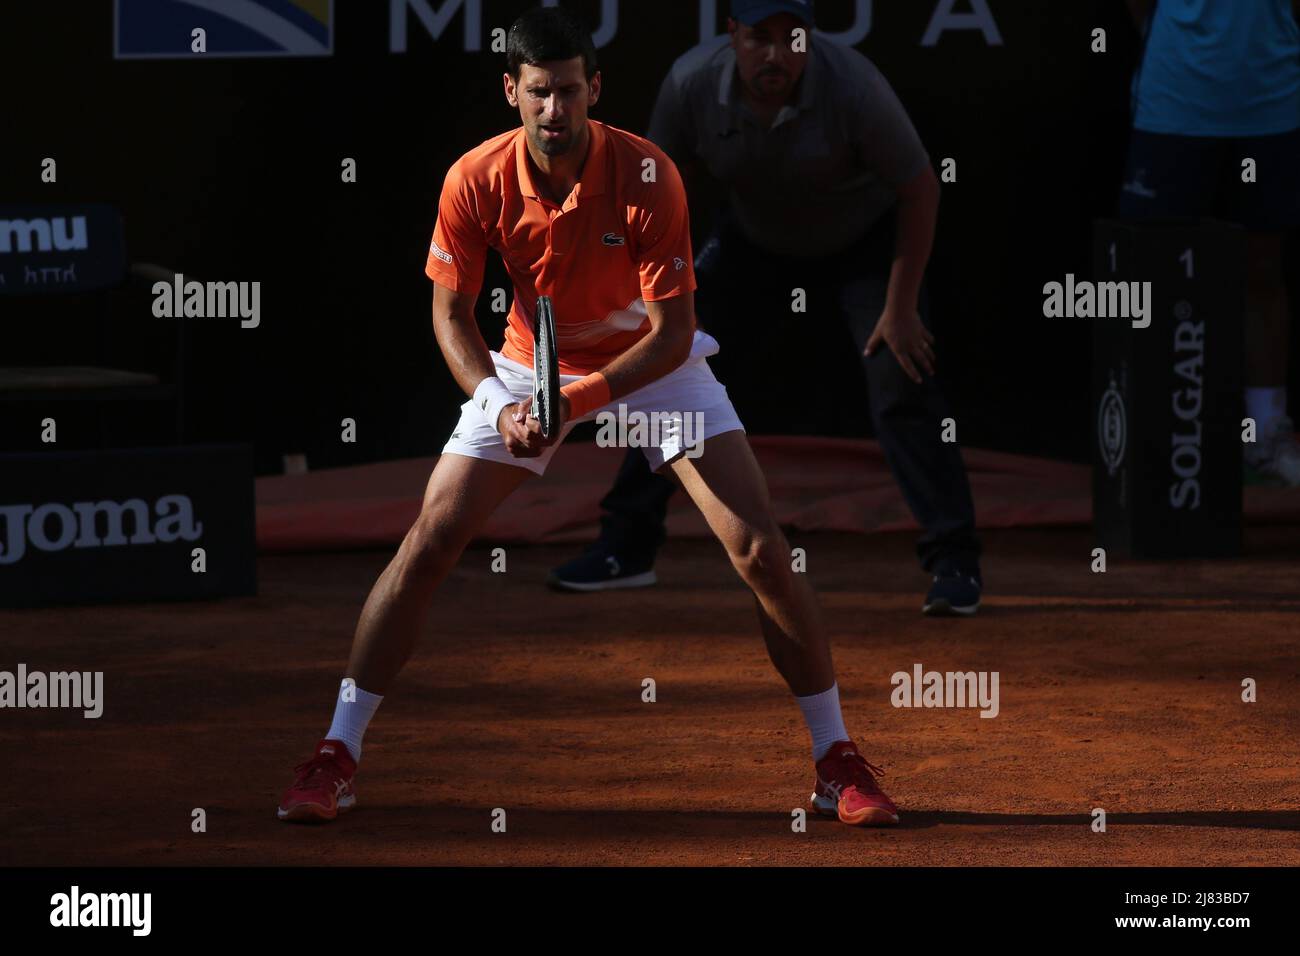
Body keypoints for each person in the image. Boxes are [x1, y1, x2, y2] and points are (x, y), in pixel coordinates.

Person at [277, 6, 900, 828]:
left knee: (758, 547)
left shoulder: (650, 176)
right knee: (429, 539)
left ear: (594, 89)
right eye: (539, 92)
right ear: (512, 91)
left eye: (570, 91)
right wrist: (500, 407)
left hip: (652, 367)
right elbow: (451, 318)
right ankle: (335, 755)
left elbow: (672, 333)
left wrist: (571, 402)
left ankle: (835, 760)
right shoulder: (473, 178)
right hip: (523, 369)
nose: (555, 110)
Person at [548, 0, 983, 616]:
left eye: (792, 38)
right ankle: (627, 547)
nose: (776, 54)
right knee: (667, 369)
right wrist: (655, 289)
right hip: (753, 239)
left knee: (899, 375)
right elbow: (652, 182)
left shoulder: (855, 86)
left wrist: (902, 306)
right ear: (732, 37)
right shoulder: (691, 82)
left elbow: (919, 187)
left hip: (863, 243)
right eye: (760, 38)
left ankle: (955, 560)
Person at [1120, 0, 1300, 484]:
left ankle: (1263, 435)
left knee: (1264, 270)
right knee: (1156, 280)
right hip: (1174, 101)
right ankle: (1154, 441)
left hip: (1271, 99)